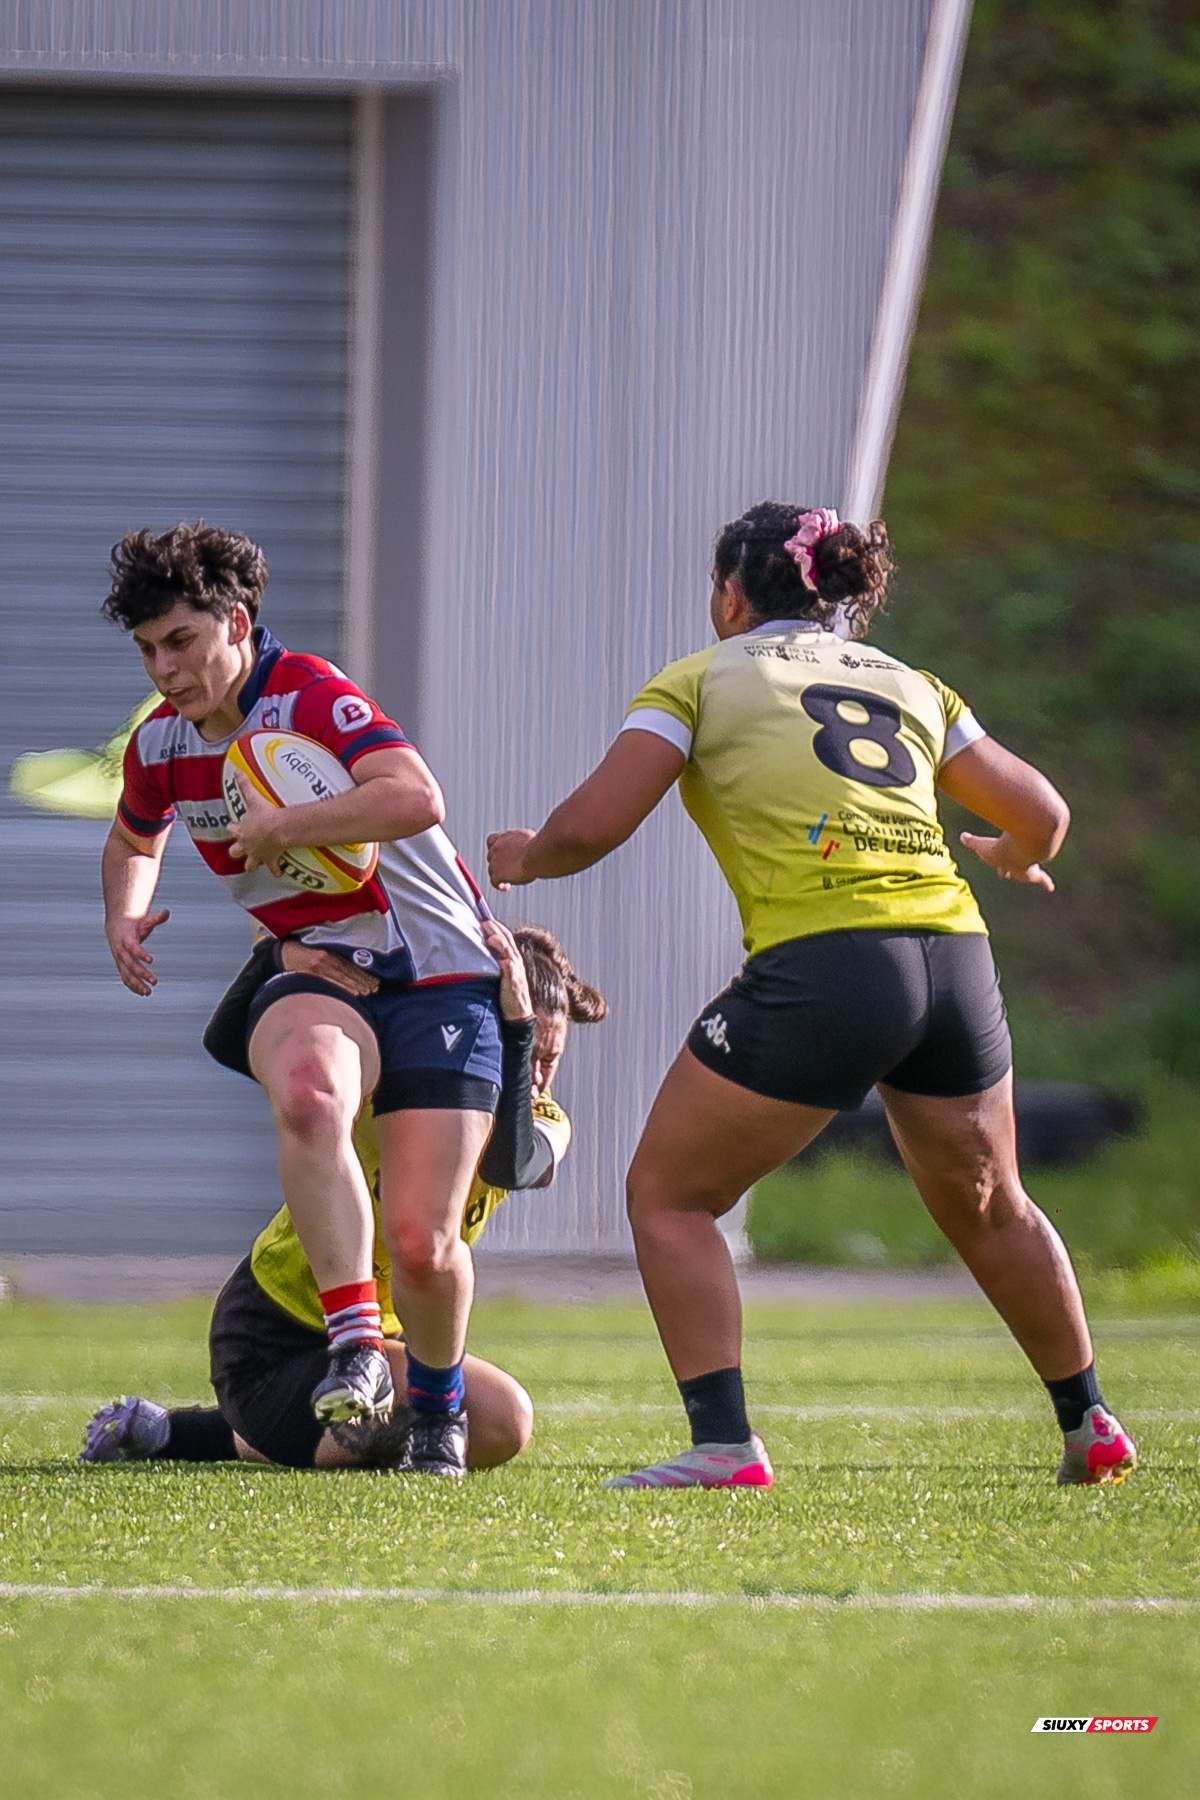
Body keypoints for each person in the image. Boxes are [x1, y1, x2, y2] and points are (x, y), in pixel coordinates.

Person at [487, 500, 1137, 1491]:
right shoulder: (913, 684)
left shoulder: (700, 678)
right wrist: (1013, 854)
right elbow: (1041, 811)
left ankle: (724, 1445)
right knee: (995, 1204)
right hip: (954, 958)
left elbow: (593, 826)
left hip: (829, 961)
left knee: (669, 1196)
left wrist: (529, 856)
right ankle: (1089, 1421)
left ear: (732, 594)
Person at [100, 520, 505, 1476]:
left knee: (422, 1238)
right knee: (311, 1094)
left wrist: (290, 824)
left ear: (236, 622)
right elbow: (133, 842)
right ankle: (359, 1343)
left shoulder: (309, 693)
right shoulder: (160, 745)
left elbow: (415, 798)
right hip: (321, 968)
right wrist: (126, 915)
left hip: (442, 976)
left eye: (183, 642)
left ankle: (436, 1416)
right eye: (149, 648)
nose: (165, 667)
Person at [81, 923, 607, 1472]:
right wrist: (279, 956)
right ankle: (192, 1430)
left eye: (551, 1058)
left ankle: (174, 1431)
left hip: (385, 1345)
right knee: (440, 1419)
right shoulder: (405, 1084)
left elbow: (514, 1165)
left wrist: (521, 1031)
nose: (539, 1079)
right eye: (526, 1054)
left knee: (504, 1423)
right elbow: (226, 1040)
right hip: (274, 1333)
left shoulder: (544, 1117)